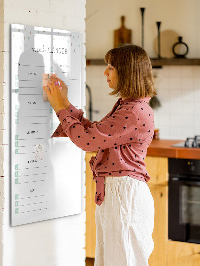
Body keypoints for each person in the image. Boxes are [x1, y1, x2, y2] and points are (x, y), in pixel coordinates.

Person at [43, 44, 156, 266]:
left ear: (127, 71)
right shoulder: (129, 106)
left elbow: (87, 140)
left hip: (124, 196)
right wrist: (65, 103)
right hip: (118, 194)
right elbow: (95, 133)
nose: (105, 72)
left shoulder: (133, 111)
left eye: (111, 67)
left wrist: (59, 107)